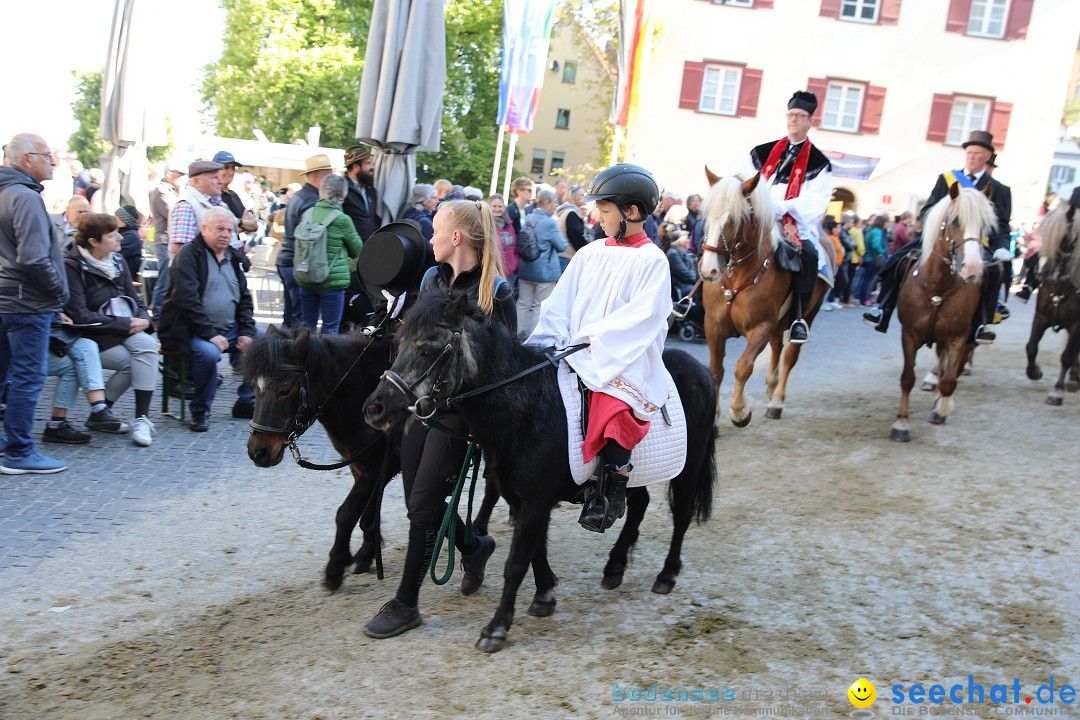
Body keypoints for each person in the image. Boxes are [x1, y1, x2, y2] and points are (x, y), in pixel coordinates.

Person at [363, 199, 515, 639]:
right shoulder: (431, 279)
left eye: (435, 230)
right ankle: (474, 545)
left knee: (424, 504)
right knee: (419, 503)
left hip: (463, 415)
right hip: (420, 407)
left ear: (456, 238)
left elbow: (502, 366)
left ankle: (406, 603)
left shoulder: (496, 293)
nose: (428, 238)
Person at [527, 163, 671, 532]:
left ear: (632, 212)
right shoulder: (590, 252)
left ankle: (612, 486)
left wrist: (591, 338)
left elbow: (642, 317)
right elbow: (561, 302)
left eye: (604, 210)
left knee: (613, 404)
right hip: (575, 348)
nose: (597, 216)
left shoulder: (653, 260)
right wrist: (548, 339)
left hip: (624, 354)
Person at [864, 130, 1013, 344]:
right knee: (897, 260)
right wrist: (931, 229)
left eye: (977, 153)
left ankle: (983, 324)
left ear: (987, 156)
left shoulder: (999, 190)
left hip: (976, 243)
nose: (971, 157)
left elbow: (1001, 225)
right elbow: (928, 210)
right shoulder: (947, 179)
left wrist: (1002, 246)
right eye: (969, 152)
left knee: (996, 272)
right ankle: (882, 308)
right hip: (940, 239)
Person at [738, 90, 833, 344]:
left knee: (810, 255)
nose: (794, 120)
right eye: (791, 115)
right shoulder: (761, 151)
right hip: (756, 217)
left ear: (810, 121)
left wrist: (779, 207)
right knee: (720, 236)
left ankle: (798, 318)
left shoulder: (819, 163)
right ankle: (696, 300)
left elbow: (816, 201)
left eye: (800, 116)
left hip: (791, 223)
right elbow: (743, 180)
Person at [0, 133, 69, 474]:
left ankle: (10, 446)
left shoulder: (6, 192)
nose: (53, 161)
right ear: (26, 159)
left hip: (8, 298)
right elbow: (32, 258)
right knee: (28, 377)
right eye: (46, 155)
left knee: (7, 374)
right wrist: (57, 289)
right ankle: (18, 452)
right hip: (26, 302)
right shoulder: (24, 197)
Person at [158, 207, 257, 431]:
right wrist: (210, 334)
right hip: (191, 329)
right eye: (219, 228)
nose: (225, 234)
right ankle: (200, 411)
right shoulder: (189, 255)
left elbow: (244, 298)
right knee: (208, 353)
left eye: (229, 230)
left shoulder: (232, 256)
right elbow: (186, 300)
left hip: (229, 328)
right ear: (204, 229)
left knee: (262, 343)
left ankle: (247, 400)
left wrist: (246, 332)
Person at [64, 213, 157, 446]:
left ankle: (140, 418)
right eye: (112, 234)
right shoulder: (72, 265)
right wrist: (125, 324)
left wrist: (144, 319)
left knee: (147, 346)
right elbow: (79, 314)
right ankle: (101, 414)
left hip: (120, 329)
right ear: (94, 242)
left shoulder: (117, 260)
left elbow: (133, 298)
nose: (120, 238)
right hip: (90, 335)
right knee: (132, 361)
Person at [297, 174, 363, 334]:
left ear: (321, 191)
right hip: (332, 283)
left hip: (305, 277)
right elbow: (357, 250)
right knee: (329, 330)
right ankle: (322, 359)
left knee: (306, 329)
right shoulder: (342, 219)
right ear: (343, 195)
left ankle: (304, 358)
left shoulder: (307, 214)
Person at [281, 155, 333, 327]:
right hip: (297, 263)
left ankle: (280, 352)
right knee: (299, 321)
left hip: (288, 260)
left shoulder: (299, 196)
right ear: (316, 176)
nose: (331, 180)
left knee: (291, 318)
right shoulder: (311, 201)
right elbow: (311, 240)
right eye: (328, 175)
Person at [516, 189, 567, 338]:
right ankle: (533, 338)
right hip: (545, 272)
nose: (556, 205)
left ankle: (517, 334)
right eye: (555, 202)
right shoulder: (549, 223)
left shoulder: (529, 217)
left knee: (523, 303)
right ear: (546, 203)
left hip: (525, 269)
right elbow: (562, 246)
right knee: (539, 306)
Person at [149, 162, 185, 316]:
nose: (183, 178)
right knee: (165, 279)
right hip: (165, 240)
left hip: (169, 240)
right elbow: (175, 213)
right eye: (180, 174)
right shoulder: (162, 190)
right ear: (169, 174)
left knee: (169, 278)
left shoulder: (173, 191)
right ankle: (157, 313)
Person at [213, 151, 258, 244]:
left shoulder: (233, 195)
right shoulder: (212, 195)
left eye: (233, 168)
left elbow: (254, 225)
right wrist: (242, 224)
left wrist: (237, 222)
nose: (231, 171)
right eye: (226, 167)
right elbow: (216, 229)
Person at [341, 145, 379, 242]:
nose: (372, 167)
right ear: (356, 167)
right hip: (351, 251)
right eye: (368, 163)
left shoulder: (370, 188)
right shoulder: (341, 188)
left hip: (369, 247)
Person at [853, 214, 887, 307]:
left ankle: (861, 297)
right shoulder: (877, 231)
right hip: (872, 258)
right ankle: (864, 299)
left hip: (866, 257)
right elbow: (876, 245)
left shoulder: (869, 229)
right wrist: (882, 251)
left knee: (864, 279)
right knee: (868, 280)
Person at [554, 184, 587, 272]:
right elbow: (576, 237)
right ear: (574, 197)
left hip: (562, 256)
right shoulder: (571, 213)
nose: (585, 197)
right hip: (567, 257)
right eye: (582, 195)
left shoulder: (565, 211)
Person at [486, 193, 518, 284]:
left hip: (509, 273)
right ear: (488, 207)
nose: (497, 209)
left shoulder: (509, 224)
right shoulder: (485, 224)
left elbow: (514, 247)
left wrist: (514, 264)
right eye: (494, 206)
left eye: (500, 206)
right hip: (492, 273)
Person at [114, 205, 144, 279]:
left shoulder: (131, 236)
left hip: (125, 276)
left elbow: (114, 254)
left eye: (115, 218)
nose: (113, 221)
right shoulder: (126, 233)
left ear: (124, 222)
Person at [667, 230, 697, 298]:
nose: (689, 240)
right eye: (687, 238)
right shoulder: (673, 254)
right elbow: (686, 275)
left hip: (689, 284)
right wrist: (700, 281)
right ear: (680, 242)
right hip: (682, 287)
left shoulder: (683, 252)